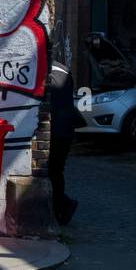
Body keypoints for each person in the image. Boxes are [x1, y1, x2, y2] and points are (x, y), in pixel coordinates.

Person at [47, 60, 78, 226]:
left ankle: (62, 206)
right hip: (66, 128)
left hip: (53, 127)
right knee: (57, 171)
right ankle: (61, 207)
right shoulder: (64, 70)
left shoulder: (41, 70)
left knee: (50, 171)